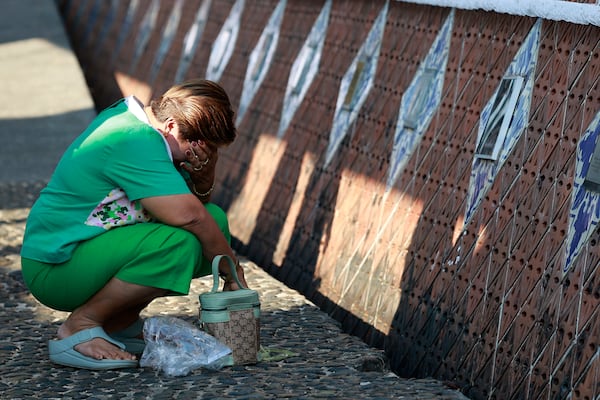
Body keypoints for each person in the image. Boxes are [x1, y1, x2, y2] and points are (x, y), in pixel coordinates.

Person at [20, 79, 248, 370]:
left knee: (213, 221)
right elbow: (190, 217)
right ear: (173, 127)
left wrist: (204, 175)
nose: (202, 155)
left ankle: (119, 323)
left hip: (86, 251)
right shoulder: (133, 140)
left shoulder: (141, 128)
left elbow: (196, 210)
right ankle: (80, 326)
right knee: (177, 245)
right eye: (199, 146)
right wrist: (233, 273)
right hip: (55, 266)